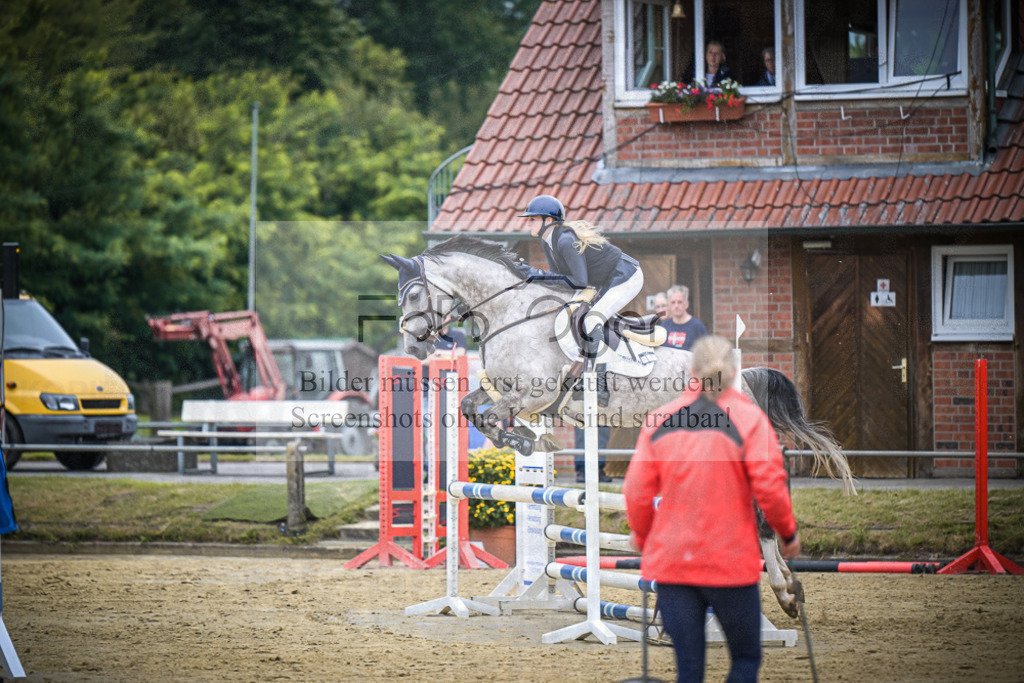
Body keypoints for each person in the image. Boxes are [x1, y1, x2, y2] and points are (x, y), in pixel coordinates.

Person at [624, 335, 801, 683]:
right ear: (734, 372)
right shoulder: (750, 420)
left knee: (689, 670)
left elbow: (636, 492)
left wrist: (644, 537)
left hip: (674, 564)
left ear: (691, 371)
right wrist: (788, 533)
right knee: (745, 659)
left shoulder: (660, 420)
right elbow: (770, 488)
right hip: (730, 563)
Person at [519, 195, 644, 405]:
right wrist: (534, 276)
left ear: (548, 220)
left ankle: (599, 385)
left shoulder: (565, 241)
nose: (528, 223)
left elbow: (578, 281)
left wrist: (536, 274)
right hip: (605, 281)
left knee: (592, 319)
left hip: (626, 276)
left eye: (533, 219)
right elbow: (561, 279)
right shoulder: (547, 242)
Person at [660, 284, 707, 351]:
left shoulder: (697, 327)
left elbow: (705, 352)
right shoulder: (664, 327)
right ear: (669, 305)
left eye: (680, 302)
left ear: (686, 304)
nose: (676, 306)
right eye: (673, 302)